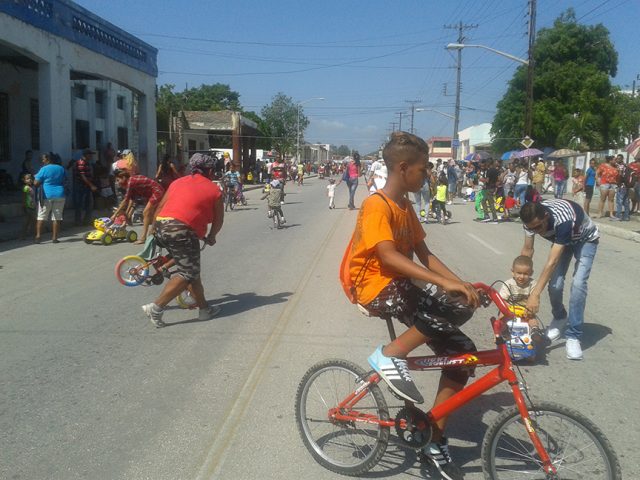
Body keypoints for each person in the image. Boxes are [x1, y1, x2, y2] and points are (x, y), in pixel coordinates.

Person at [346, 131, 480, 479]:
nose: (428, 176)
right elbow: (388, 256)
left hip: (399, 285)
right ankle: (389, 355)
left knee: (462, 354)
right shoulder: (377, 205)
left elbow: (425, 254)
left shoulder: (406, 207)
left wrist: (459, 283)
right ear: (403, 168)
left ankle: (433, 438)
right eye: (424, 170)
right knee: (449, 305)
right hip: (375, 287)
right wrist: (443, 285)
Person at [142, 153, 224, 327]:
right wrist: (211, 237)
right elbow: (218, 221)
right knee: (187, 273)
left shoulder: (177, 183)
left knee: (192, 271)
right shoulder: (214, 189)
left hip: (162, 227)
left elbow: (160, 208)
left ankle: (204, 310)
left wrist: (154, 231)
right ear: (209, 171)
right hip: (182, 231)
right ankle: (156, 308)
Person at [519, 199, 599, 360]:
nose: (536, 231)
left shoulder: (563, 220)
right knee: (555, 284)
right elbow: (527, 250)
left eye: (538, 227)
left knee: (578, 284)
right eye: (531, 228)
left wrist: (535, 294)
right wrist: (520, 281)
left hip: (585, 239)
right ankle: (560, 316)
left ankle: (574, 335)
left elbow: (552, 262)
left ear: (546, 217)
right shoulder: (530, 221)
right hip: (562, 241)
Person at [112, 171, 165, 244]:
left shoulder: (130, 181)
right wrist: (127, 214)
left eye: (118, 180)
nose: (117, 183)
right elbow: (131, 200)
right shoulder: (131, 183)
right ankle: (153, 232)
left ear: (124, 178)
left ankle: (144, 238)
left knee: (146, 212)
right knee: (151, 215)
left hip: (156, 191)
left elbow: (125, 200)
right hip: (151, 194)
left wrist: (115, 214)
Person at [498, 255, 542, 334]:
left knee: (532, 319)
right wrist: (507, 307)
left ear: (531, 273)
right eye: (519, 273)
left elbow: (535, 300)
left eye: (525, 274)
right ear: (513, 272)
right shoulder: (508, 284)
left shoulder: (533, 284)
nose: (521, 277)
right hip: (510, 310)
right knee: (502, 316)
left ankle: (535, 332)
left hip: (525, 311)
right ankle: (501, 332)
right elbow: (502, 300)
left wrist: (530, 311)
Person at [34, 153, 67, 243]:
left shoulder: (43, 169)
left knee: (41, 216)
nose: (42, 161)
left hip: (46, 195)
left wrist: (38, 181)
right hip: (60, 194)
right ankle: (54, 238)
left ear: (48, 159)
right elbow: (65, 180)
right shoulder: (61, 168)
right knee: (56, 217)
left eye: (43, 159)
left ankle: (38, 237)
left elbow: (36, 183)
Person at [73, 149, 98, 225]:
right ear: (86, 155)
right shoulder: (81, 162)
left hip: (86, 186)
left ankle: (86, 221)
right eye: (90, 154)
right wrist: (91, 185)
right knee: (80, 204)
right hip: (81, 185)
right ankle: (78, 221)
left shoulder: (87, 163)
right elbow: (82, 176)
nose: (91, 156)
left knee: (88, 203)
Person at [480, 159, 499, 224]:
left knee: (491, 204)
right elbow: (497, 180)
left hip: (489, 188)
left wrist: (481, 179)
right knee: (483, 201)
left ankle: (495, 218)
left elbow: (487, 180)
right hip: (492, 187)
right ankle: (487, 216)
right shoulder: (496, 171)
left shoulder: (489, 171)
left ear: (489, 163)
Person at [20, 173, 36, 239]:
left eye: (30, 179)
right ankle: (24, 235)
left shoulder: (32, 187)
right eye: (27, 179)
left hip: (32, 206)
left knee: (30, 221)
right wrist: (24, 205)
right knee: (30, 221)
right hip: (28, 207)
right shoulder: (25, 187)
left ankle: (25, 235)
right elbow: (23, 197)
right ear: (24, 180)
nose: (29, 180)